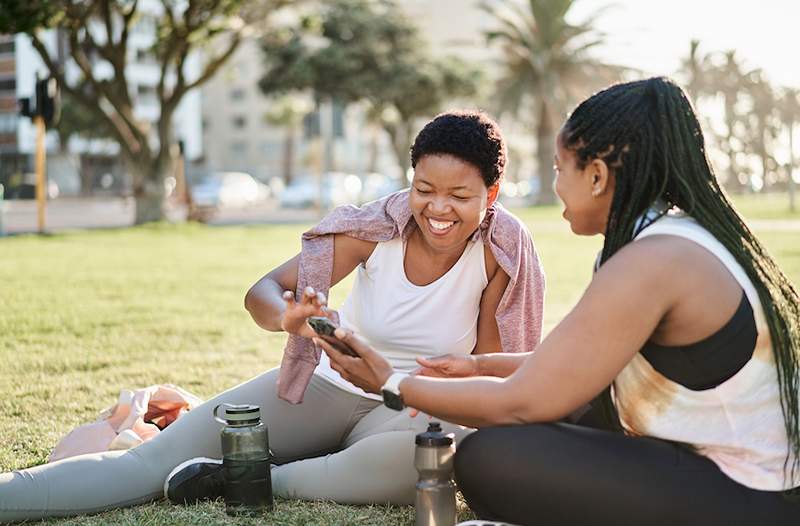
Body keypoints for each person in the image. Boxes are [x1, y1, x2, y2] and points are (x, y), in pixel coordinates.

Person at [0, 110, 545, 521]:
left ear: (491, 193)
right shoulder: (373, 229)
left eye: (459, 195)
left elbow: (486, 363)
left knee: (437, 458)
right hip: (326, 385)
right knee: (143, 466)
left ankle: (248, 479)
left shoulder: (502, 251)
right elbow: (263, 290)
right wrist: (291, 321)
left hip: (414, 402)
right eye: (424, 189)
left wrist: (447, 393)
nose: (438, 208)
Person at [317, 77, 800, 526]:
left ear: (595, 176)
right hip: (722, 471)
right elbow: (577, 368)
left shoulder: (656, 259)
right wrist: (479, 364)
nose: (555, 184)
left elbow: (522, 403)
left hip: (751, 497)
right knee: (550, 425)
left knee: (492, 457)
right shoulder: (667, 237)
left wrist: (391, 381)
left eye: (558, 168)